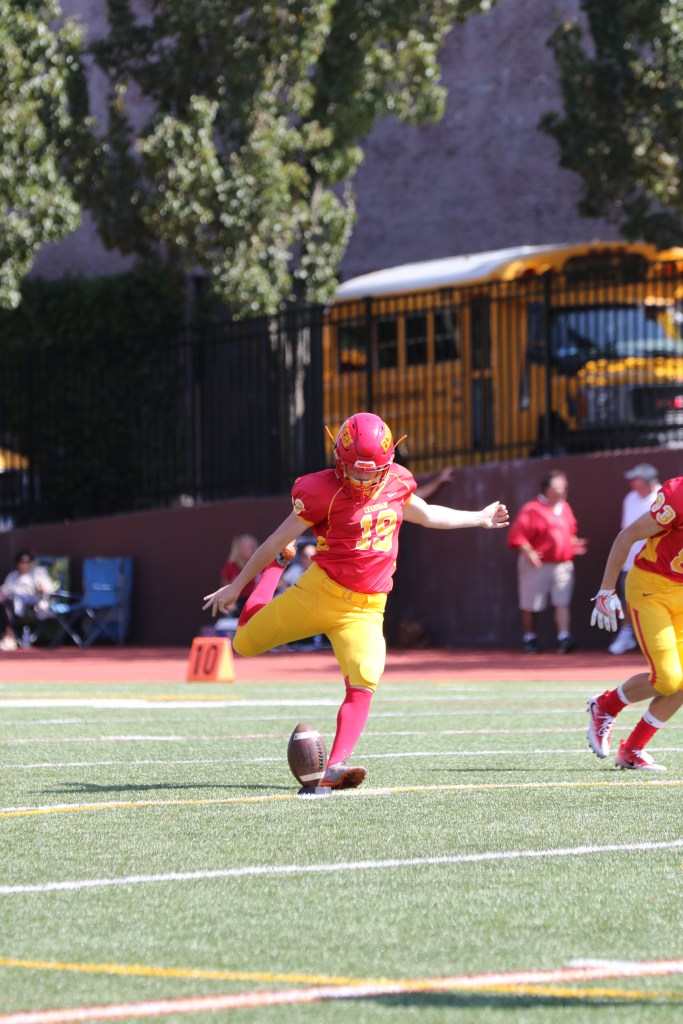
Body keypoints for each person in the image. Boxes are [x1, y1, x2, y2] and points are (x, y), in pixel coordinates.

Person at [203, 412, 509, 790]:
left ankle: (334, 768)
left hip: (366, 608)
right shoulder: (319, 491)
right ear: (338, 461)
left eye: (372, 471)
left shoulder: (397, 482)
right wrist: (238, 585)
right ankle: (276, 573)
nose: (364, 479)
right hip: (321, 592)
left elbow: (428, 515)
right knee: (244, 643)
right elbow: (272, 540)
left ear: (388, 462)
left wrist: (478, 518)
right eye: (356, 471)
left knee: (365, 677)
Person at [587, 474, 683, 771]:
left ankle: (633, 749)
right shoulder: (679, 497)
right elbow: (627, 536)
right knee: (667, 679)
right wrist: (606, 588)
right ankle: (606, 705)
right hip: (651, 587)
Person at [507, 469, 587, 654]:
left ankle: (564, 637)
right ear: (547, 489)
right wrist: (530, 553)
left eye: (565, 486)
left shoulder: (565, 507)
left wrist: (574, 544)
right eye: (560, 486)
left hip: (562, 565)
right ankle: (530, 638)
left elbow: (571, 532)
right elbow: (517, 536)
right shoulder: (532, 509)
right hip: (538, 565)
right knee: (531, 603)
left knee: (562, 602)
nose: (564, 490)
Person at [607, 463, 661, 655]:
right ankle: (627, 634)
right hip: (631, 564)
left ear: (647, 481)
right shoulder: (629, 499)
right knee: (628, 600)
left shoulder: (663, 498)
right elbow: (625, 532)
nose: (631, 482)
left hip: (658, 565)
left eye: (635, 478)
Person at [0, 549, 58, 651]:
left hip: (31, 607)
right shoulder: (12, 575)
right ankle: (7, 637)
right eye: (21, 561)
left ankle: (9, 637)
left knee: (7, 604)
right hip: (11, 605)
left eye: (27, 561)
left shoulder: (39, 572)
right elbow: (4, 590)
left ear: (32, 562)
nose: (24, 564)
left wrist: (42, 588)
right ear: (17, 563)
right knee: (5, 602)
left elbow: (47, 588)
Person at [219, 534, 259, 616]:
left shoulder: (261, 565)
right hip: (238, 601)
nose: (249, 550)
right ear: (238, 550)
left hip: (256, 600)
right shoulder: (231, 567)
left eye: (251, 547)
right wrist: (229, 603)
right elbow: (224, 589)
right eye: (245, 548)